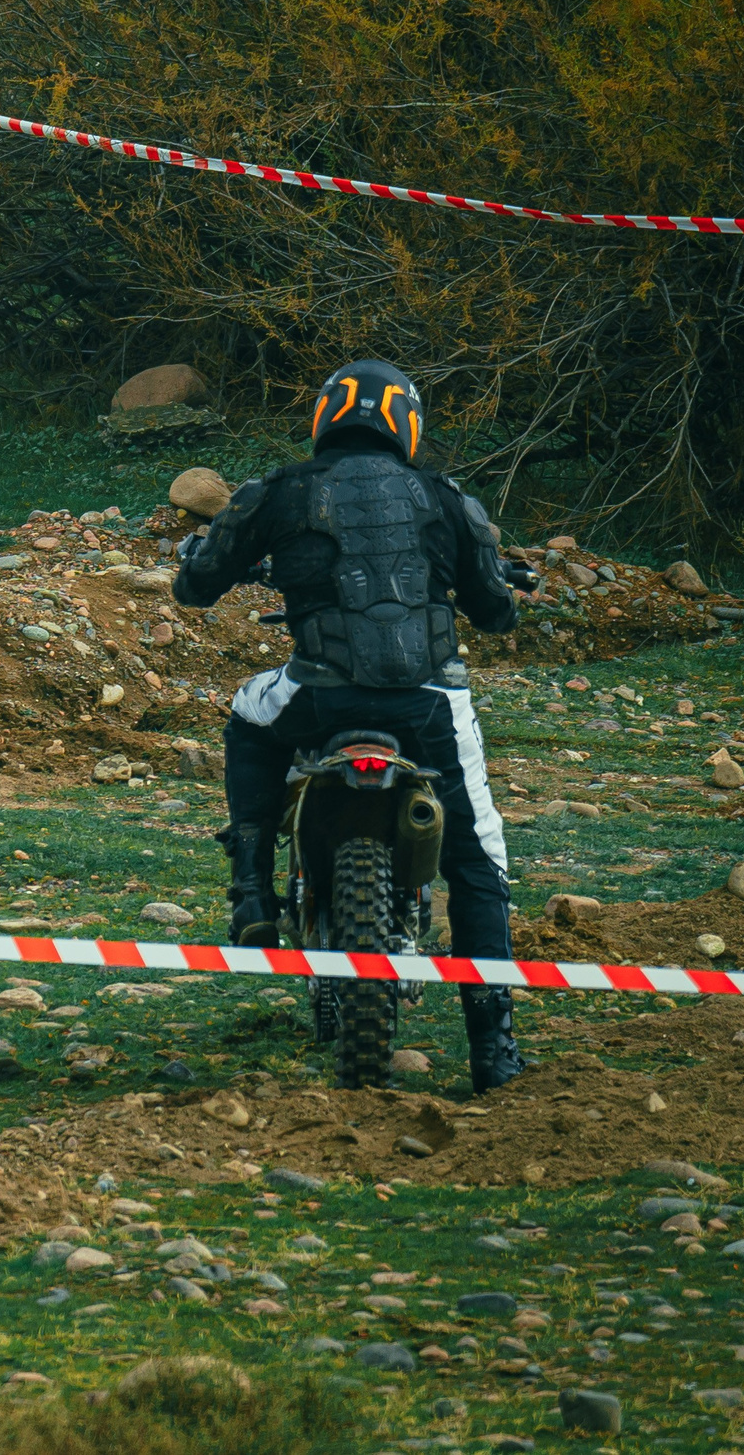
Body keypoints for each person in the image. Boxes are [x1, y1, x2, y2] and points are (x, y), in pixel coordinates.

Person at [172, 359, 529, 1092]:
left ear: (325, 416)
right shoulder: (444, 494)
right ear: (407, 423)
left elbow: (196, 586)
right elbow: (497, 612)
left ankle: (250, 890)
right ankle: (494, 1049)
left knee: (247, 712)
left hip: (320, 695)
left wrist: (208, 558)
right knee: (478, 861)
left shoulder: (281, 488)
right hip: (431, 704)